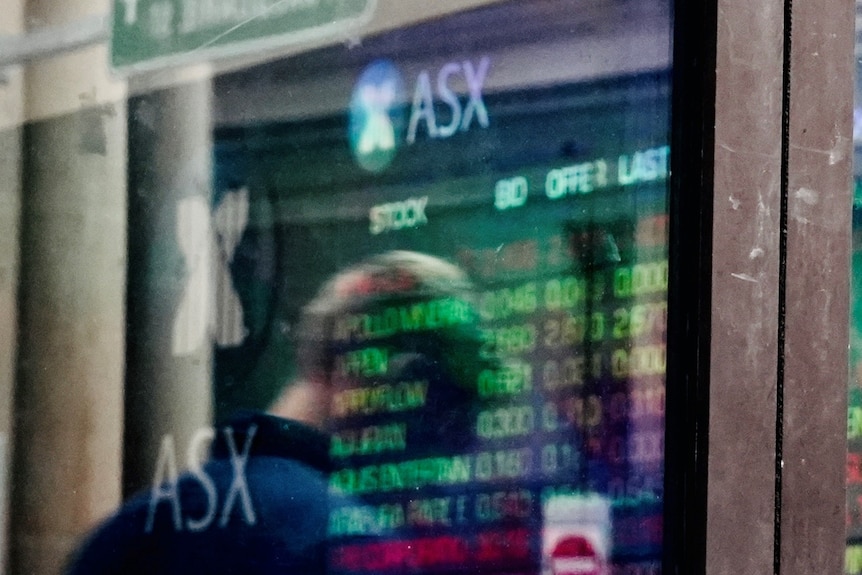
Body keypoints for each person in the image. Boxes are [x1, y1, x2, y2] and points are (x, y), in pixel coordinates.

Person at [65, 250, 488, 575]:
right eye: (444, 440)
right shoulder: (355, 549)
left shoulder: (135, 527)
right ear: (389, 385)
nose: (433, 491)